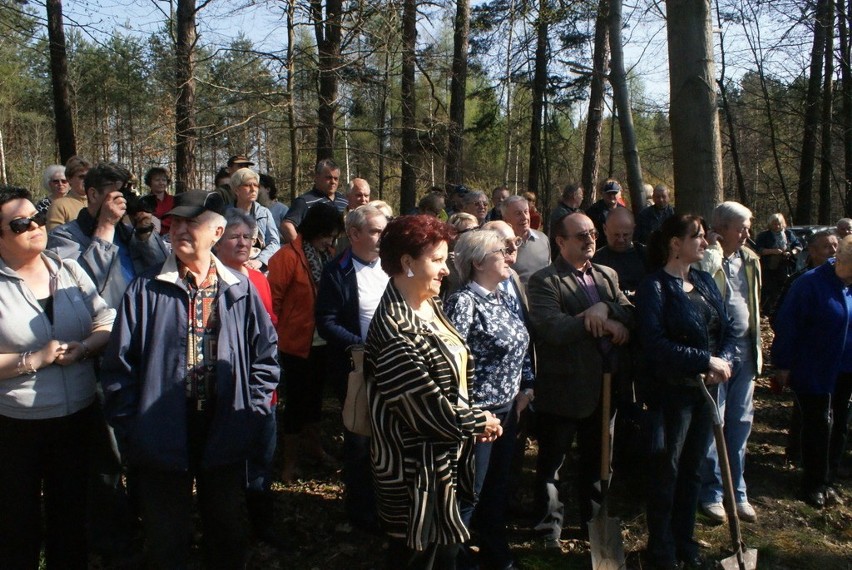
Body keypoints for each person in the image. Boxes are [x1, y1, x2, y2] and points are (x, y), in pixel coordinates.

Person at [100, 190, 279, 569]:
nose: (179, 229)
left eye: (191, 223)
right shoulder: (145, 289)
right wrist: (135, 427)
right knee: (167, 539)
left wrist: (251, 411)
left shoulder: (240, 288)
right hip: (161, 428)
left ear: (216, 232)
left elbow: (265, 357)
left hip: (224, 424)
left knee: (227, 532)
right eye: (175, 222)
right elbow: (119, 367)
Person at [364, 215, 502, 568]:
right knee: (416, 559)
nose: (446, 270)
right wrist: (478, 421)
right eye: (437, 260)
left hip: (444, 462)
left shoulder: (430, 305)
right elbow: (424, 408)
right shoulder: (396, 328)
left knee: (444, 556)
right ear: (408, 263)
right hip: (414, 475)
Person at [0, 186, 115, 569]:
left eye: (37, 215)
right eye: (20, 223)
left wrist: (84, 348)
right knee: (18, 525)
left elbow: (106, 321)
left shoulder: (66, 269)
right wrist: (32, 359)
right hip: (17, 425)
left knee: (72, 519)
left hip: (77, 418)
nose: (34, 225)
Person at [635, 214, 736, 570]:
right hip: (671, 396)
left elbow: (728, 330)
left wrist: (722, 360)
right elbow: (655, 344)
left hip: (704, 394)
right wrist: (704, 360)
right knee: (668, 472)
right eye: (698, 237)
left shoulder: (705, 281)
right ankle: (660, 549)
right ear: (675, 243)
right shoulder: (655, 287)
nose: (706, 243)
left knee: (692, 471)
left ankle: (685, 541)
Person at [527, 212, 633, 547]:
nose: (589, 240)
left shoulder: (607, 274)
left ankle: (594, 523)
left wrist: (610, 310)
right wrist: (597, 315)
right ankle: (548, 530)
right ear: (560, 241)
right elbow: (552, 328)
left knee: (600, 460)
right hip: (563, 386)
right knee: (552, 465)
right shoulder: (545, 281)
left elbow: (630, 311)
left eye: (591, 233)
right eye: (580, 235)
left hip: (605, 384)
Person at [444, 229, 534, 570]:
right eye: (501, 251)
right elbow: (452, 365)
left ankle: (496, 554)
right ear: (479, 262)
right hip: (478, 417)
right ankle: (457, 560)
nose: (510, 256)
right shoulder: (464, 302)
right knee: (470, 492)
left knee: (497, 490)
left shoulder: (503, 296)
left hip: (509, 410)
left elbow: (521, 342)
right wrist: (472, 414)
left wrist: (527, 388)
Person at [315, 204, 389, 532]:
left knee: (391, 439)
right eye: (375, 231)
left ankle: (391, 506)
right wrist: (361, 346)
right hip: (356, 368)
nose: (381, 238)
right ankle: (361, 514)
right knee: (360, 441)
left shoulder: (395, 266)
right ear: (354, 234)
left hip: (396, 366)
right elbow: (327, 322)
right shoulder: (337, 271)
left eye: (384, 231)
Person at [213, 210, 281, 546]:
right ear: (218, 240)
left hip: (264, 391)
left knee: (261, 463)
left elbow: (269, 333)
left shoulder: (259, 279)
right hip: (228, 394)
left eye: (247, 237)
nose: (242, 243)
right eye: (234, 237)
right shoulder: (211, 281)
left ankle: (261, 526)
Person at [772, 235, 852, 508]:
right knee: (818, 424)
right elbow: (788, 324)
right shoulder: (809, 283)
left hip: (846, 367)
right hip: (814, 366)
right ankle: (813, 483)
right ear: (841, 260)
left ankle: (828, 480)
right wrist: (782, 363)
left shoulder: (849, 284)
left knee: (839, 424)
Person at [268, 203, 344, 482]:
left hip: (325, 342)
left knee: (315, 402)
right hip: (296, 342)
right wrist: (275, 336)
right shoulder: (286, 258)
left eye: (333, 236)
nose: (330, 241)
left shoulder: (330, 255)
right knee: (297, 405)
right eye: (326, 234)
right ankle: (289, 462)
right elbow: (272, 301)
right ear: (313, 230)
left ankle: (314, 448)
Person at [697, 201, 762, 524]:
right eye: (741, 228)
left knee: (741, 422)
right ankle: (711, 492)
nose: (747, 233)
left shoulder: (750, 260)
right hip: (717, 352)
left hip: (746, 352)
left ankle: (738, 492)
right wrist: (711, 254)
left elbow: (753, 302)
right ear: (721, 230)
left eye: (747, 227)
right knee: (715, 423)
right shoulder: (706, 257)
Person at [47, 162, 169, 309]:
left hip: (143, 315)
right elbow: (78, 289)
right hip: (108, 324)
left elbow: (163, 270)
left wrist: (145, 232)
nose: (124, 199)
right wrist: (106, 226)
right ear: (93, 194)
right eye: (118, 193)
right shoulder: (63, 237)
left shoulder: (128, 232)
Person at [281, 158, 348, 243]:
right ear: (316, 177)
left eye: (336, 178)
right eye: (328, 177)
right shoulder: (304, 201)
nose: (333, 182)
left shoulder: (344, 201)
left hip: (341, 253)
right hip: (314, 253)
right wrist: (301, 251)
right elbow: (286, 226)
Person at [228, 167, 280, 271]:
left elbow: (274, 242)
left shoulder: (264, 213)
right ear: (236, 190)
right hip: (231, 269)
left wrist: (259, 261)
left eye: (256, 185)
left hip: (259, 270)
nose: (253, 189)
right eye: (247, 185)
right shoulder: (225, 215)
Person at [593, 207, 649, 301]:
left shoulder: (646, 255)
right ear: (605, 229)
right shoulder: (596, 260)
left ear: (633, 229)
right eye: (616, 235)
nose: (621, 240)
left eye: (626, 235)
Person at [754, 213, 801, 315]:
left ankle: (784, 308)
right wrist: (773, 251)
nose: (777, 226)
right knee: (769, 289)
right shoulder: (764, 236)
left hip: (786, 266)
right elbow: (758, 249)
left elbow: (798, 246)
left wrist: (792, 252)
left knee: (785, 287)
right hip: (769, 267)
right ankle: (767, 311)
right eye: (774, 224)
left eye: (779, 224)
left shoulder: (788, 234)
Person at [502, 195, 550, 287]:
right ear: (505, 219)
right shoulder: (500, 245)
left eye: (526, 212)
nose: (524, 217)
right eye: (518, 213)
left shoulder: (543, 238)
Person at [46, 155, 91, 231]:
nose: (86, 180)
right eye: (81, 177)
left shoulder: (98, 203)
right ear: (69, 179)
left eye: (89, 176)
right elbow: (55, 239)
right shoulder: (59, 206)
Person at [585, 178, 625, 248]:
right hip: (600, 249)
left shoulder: (624, 211)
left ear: (619, 193)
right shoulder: (593, 211)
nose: (612, 196)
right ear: (602, 193)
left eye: (614, 193)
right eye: (609, 193)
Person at [144, 166, 175, 235]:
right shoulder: (144, 201)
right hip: (152, 237)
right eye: (157, 180)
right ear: (150, 182)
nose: (161, 183)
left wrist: (160, 222)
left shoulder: (174, 200)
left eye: (164, 180)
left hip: (173, 237)